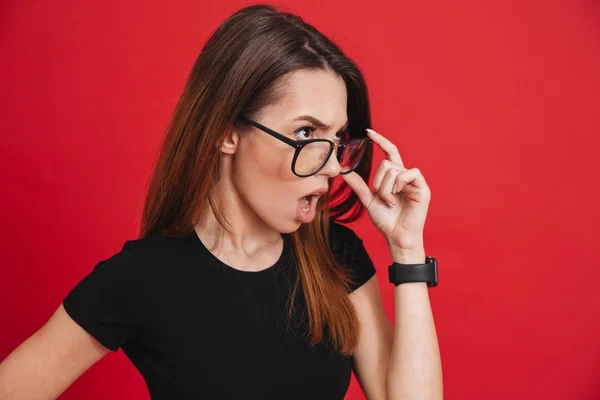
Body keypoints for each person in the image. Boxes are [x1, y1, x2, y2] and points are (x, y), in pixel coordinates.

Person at [0, 4, 442, 399]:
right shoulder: (143, 277)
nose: (332, 167)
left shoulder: (335, 256)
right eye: (306, 134)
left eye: (337, 138)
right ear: (227, 132)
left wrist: (408, 250)